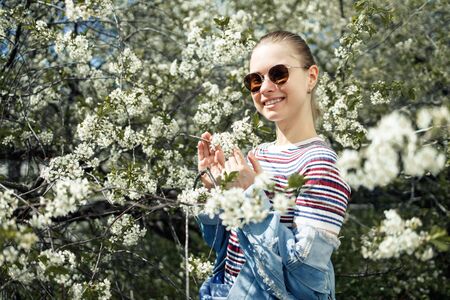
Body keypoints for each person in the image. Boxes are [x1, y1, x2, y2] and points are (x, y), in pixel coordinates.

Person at [196, 30, 351, 300]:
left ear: (310, 77)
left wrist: (251, 200)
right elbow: (228, 248)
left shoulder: (321, 164)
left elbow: (304, 277)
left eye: (279, 74)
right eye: (255, 80)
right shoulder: (258, 154)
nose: (265, 88)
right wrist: (217, 192)